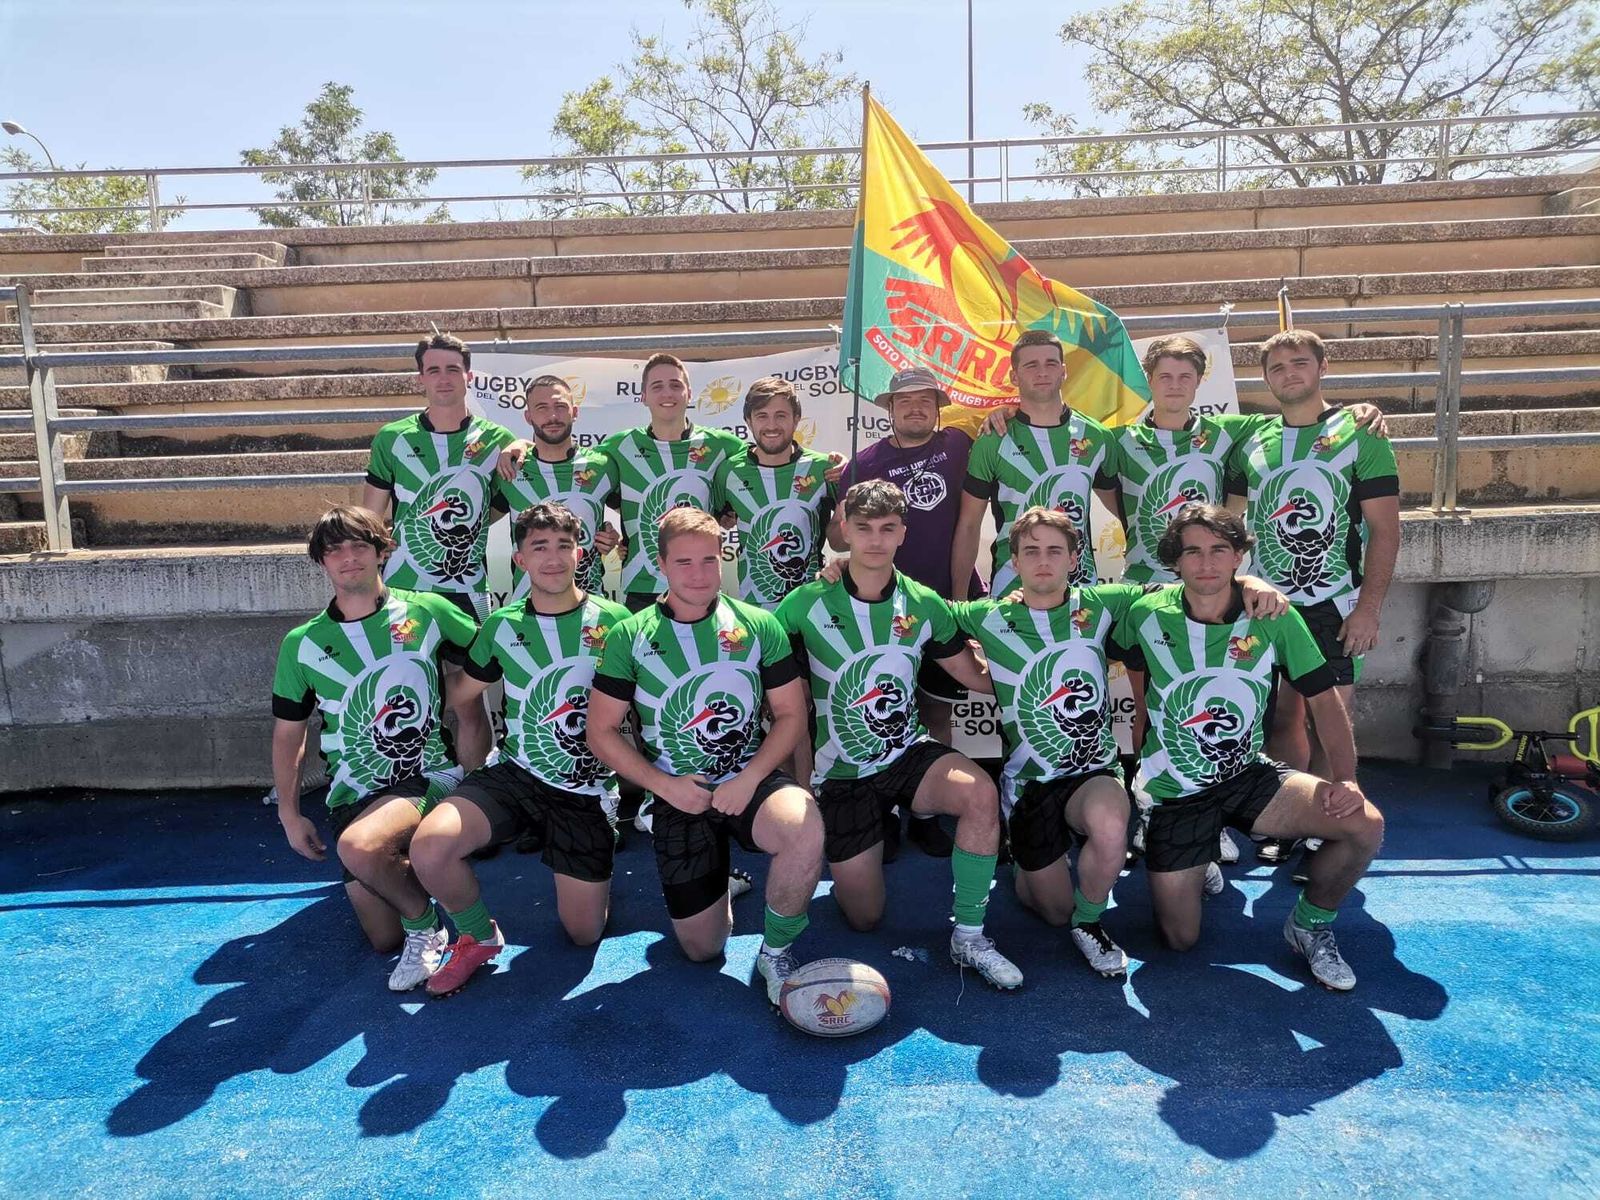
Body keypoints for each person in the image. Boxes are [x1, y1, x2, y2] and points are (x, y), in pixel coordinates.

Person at [1114, 335, 1386, 863]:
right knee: (1168, 710)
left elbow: (1380, 521)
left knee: (1323, 709)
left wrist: (1360, 409)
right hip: (1162, 596)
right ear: (1148, 379)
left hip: (1296, 597)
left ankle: (1312, 820)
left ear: (1199, 383)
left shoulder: (1237, 432)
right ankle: (1166, 811)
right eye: (1163, 376)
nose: (1174, 386)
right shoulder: (1123, 440)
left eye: (1184, 377)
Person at [1110, 503, 1386, 991]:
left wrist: (1345, 778)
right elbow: (1065, 599)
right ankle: (1188, 850)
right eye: (1192, 552)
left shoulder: (1276, 616)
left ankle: (1310, 925)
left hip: (1246, 776)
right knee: (1179, 941)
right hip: (1176, 792)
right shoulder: (1143, 611)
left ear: (1240, 556)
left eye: (1220, 549)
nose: (1206, 563)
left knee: (1363, 824)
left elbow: (1324, 703)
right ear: (1175, 562)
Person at [781, 480, 1024, 990]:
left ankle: (971, 934)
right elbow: (764, 678)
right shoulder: (804, 603)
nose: (874, 540)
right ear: (844, 529)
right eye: (863, 528)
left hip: (905, 750)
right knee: (865, 917)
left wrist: (1034, 642)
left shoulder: (924, 603)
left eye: (887, 528)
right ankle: (881, 822)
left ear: (902, 533)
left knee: (980, 794)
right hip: (842, 772)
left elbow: (975, 675)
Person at [587, 507, 826, 1005]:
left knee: (805, 825)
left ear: (724, 560)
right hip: (678, 792)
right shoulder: (630, 635)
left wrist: (752, 776)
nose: (699, 574)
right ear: (661, 564)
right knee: (702, 950)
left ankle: (777, 952)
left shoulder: (759, 624)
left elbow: (790, 716)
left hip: (749, 778)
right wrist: (663, 786)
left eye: (709, 560)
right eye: (684, 562)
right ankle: (721, 887)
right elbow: (602, 732)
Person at [406, 504, 631, 997]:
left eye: (563, 546)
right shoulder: (502, 625)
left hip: (584, 789)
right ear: (520, 559)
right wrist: (465, 759)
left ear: (579, 553)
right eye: (539, 547)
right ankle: (478, 935)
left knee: (582, 935)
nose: (553, 558)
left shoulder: (617, 622)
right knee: (430, 846)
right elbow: (463, 695)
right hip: (517, 774)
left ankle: (608, 838)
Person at [270, 505, 477, 992]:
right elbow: (288, 734)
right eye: (334, 549)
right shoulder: (301, 643)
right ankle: (416, 867)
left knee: (358, 847)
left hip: (427, 773)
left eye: (360, 545)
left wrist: (449, 702)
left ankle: (429, 928)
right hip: (353, 793)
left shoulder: (428, 610)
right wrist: (289, 813)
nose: (348, 557)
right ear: (320, 562)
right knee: (381, 938)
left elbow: (495, 656)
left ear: (383, 551)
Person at [1226, 330, 1400, 870]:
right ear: (1265, 378)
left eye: (1299, 363)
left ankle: (1336, 821)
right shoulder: (1250, 438)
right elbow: (1232, 523)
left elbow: (1386, 530)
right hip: (1269, 605)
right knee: (1282, 718)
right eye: (1276, 368)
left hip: (1334, 603)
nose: (1288, 374)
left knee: (1333, 722)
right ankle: (1293, 819)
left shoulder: (1361, 432)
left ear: (1322, 367)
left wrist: (1369, 608)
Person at [361, 332, 531, 770]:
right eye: (433, 369)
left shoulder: (495, 438)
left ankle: (472, 800)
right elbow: (369, 518)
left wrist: (520, 446)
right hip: (402, 590)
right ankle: (415, 789)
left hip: (465, 591)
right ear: (420, 377)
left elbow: (513, 477)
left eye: (452, 369)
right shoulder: (392, 438)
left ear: (468, 376)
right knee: (409, 696)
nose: (443, 378)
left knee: (469, 703)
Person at [831, 365, 972, 857]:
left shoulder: (960, 445)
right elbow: (835, 535)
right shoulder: (863, 461)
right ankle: (884, 808)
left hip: (946, 599)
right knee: (880, 706)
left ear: (938, 407)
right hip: (879, 607)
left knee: (936, 707)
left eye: (925, 401)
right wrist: (840, 553)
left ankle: (926, 812)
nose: (916, 408)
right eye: (905, 401)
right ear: (888, 409)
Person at [950, 328, 1119, 598]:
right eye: (1031, 365)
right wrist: (958, 603)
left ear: (1063, 371)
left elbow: (1127, 510)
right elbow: (969, 526)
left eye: (1051, 363)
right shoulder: (992, 441)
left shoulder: (1098, 437)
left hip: (1080, 593)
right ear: (1014, 376)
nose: (1042, 372)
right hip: (1011, 593)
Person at [598, 353, 745, 613]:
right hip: (642, 587)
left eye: (676, 385)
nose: (668, 393)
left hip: (700, 585)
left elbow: (771, 463)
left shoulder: (724, 446)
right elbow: (568, 472)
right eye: (657, 386)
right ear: (643, 396)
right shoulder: (618, 447)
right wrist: (518, 448)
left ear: (689, 393)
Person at [711, 375, 839, 606]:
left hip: (813, 606)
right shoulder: (729, 471)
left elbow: (854, 529)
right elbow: (710, 521)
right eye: (762, 416)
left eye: (781, 415)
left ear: (797, 419)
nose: (771, 425)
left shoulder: (824, 468)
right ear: (748, 421)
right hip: (755, 609)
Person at [493, 375, 620, 600]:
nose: (552, 416)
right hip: (526, 608)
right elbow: (476, 523)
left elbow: (639, 519)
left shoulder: (602, 466)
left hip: (590, 609)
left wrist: (616, 539)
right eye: (542, 408)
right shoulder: (510, 470)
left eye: (560, 406)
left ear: (575, 412)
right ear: (528, 416)